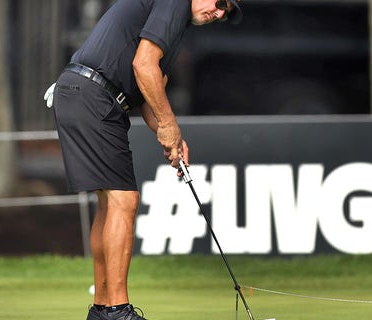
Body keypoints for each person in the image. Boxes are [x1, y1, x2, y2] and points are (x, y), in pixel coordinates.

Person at [43, 0, 242, 319]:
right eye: (220, 3)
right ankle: (118, 311)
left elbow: (150, 88)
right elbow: (143, 66)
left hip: (91, 95)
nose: (218, 13)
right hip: (93, 94)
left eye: (226, 13)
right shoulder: (175, 3)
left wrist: (173, 140)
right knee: (125, 201)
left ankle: (102, 310)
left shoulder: (175, 23)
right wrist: (169, 127)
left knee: (110, 204)